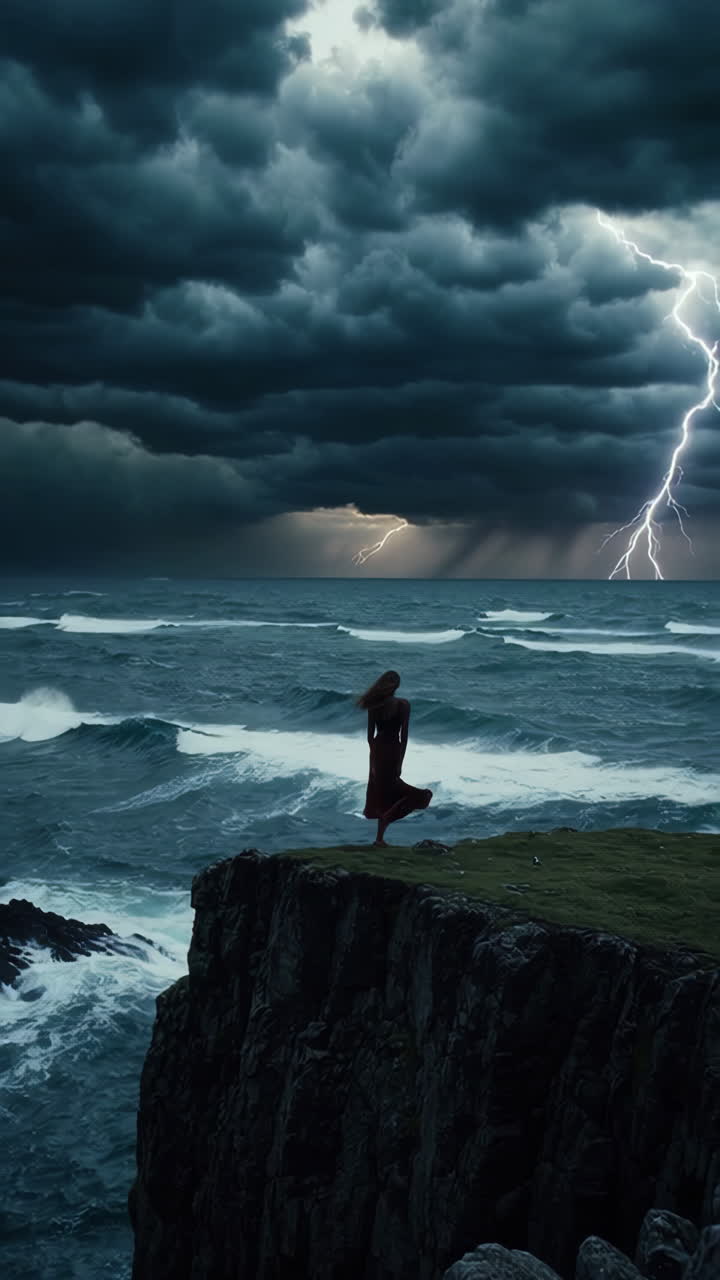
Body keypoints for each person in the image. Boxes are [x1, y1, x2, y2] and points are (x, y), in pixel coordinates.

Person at [357, 669, 432, 847]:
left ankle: (380, 837)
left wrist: (373, 759)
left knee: (382, 793)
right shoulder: (403, 705)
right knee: (417, 796)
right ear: (397, 686)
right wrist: (400, 762)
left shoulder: (374, 705)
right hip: (392, 749)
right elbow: (403, 737)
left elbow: (370, 737)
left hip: (377, 750)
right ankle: (384, 827)